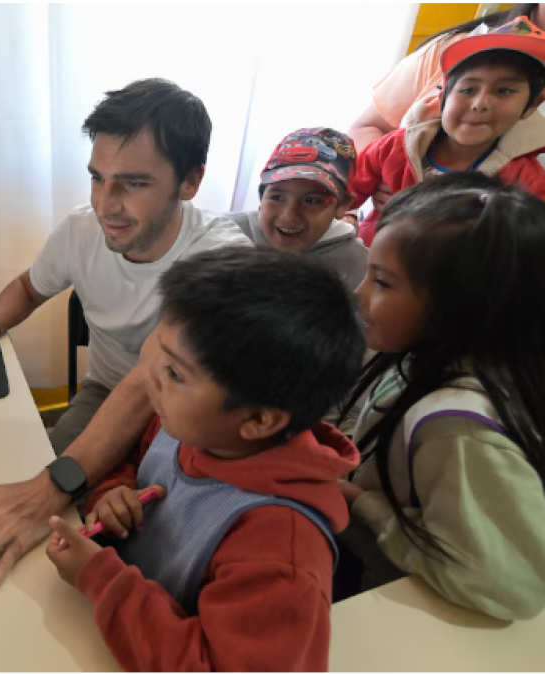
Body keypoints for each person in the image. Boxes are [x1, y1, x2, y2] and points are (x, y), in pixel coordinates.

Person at [44, 247, 365, 671]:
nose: (150, 375)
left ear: (258, 419)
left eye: (175, 373)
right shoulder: (197, 427)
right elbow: (135, 463)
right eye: (159, 352)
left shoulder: (279, 554)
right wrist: (115, 492)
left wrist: (101, 580)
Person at [0, 78, 248, 458]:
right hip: (105, 392)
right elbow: (28, 288)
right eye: (97, 178)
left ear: (190, 182)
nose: (105, 205)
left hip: (189, 417)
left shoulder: (221, 260)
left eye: (133, 184)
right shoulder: (81, 230)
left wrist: (51, 487)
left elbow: (151, 376)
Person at [336, 173, 545, 620]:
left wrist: (364, 507)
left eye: (383, 282)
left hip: (395, 615)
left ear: (465, 305)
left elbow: (507, 586)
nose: (359, 293)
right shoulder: (419, 355)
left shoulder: (460, 428)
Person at [349, 16, 545, 246]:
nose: (480, 103)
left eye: (504, 90)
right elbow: (347, 188)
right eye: (468, 89)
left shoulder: (527, 181)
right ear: (441, 97)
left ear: (532, 105)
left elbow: (525, 246)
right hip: (375, 261)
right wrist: (346, 216)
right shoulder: (394, 147)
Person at [226, 127, 368, 290]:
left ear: (343, 204)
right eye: (277, 197)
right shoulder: (223, 234)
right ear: (261, 195)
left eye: (311, 200)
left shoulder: (361, 269)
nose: (289, 216)